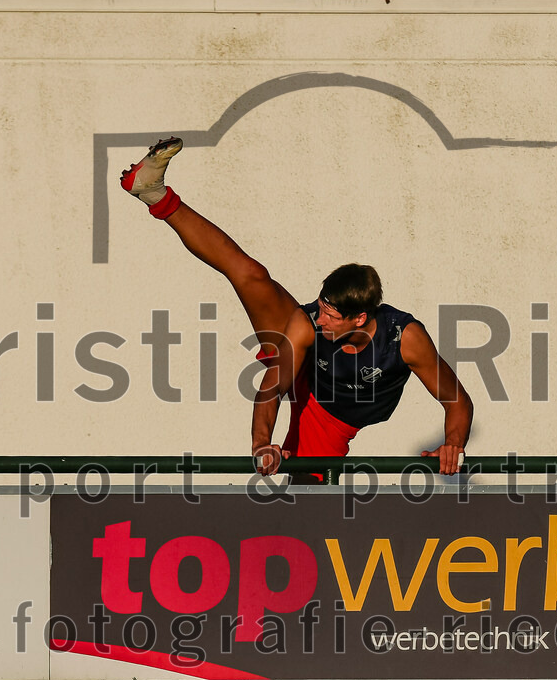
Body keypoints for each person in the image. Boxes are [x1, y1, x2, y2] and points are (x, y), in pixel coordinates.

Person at [120, 137, 473, 477]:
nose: (319, 319)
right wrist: (262, 444)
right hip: (306, 368)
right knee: (253, 275)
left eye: (331, 316)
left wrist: (453, 444)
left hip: (330, 418)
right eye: (320, 307)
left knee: (307, 496)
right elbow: (271, 388)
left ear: (360, 318)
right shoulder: (307, 323)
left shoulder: (405, 338)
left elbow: (456, 400)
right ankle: (154, 194)